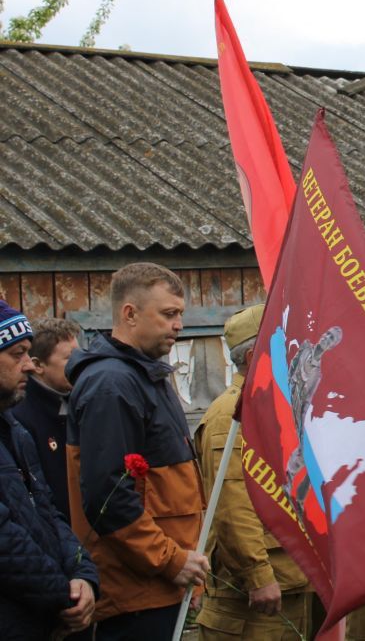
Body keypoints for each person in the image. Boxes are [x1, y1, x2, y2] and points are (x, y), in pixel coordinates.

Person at [66, 263, 208, 640]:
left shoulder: (146, 375)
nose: (178, 324)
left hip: (159, 583)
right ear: (129, 314)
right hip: (134, 590)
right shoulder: (111, 384)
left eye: (180, 314)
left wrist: (183, 572)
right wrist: (171, 561)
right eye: (168, 314)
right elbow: (106, 496)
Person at [194, 304, 312, 640]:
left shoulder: (278, 408)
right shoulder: (230, 416)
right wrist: (257, 574)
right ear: (253, 357)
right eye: (286, 346)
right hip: (254, 596)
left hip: (291, 579)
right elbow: (231, 505)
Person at [0, 299, 99, 639]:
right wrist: (63, 597)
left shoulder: (15, 432)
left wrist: (84, 575)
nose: (28, 365)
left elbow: (50, 512)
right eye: (17, 355)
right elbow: (5, 540)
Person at [13, 316, 81, 521]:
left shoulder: (81, 401)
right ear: (38, 365)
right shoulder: (20, 415)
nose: (79, 363)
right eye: (70, 357)